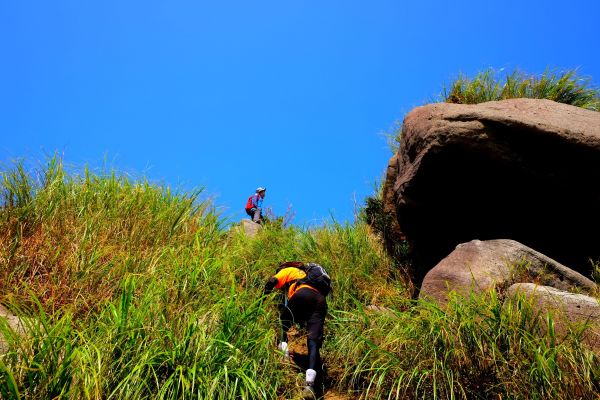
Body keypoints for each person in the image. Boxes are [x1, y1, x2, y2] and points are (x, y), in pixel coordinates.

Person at [264, 261, 330, 399]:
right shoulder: (308, 275)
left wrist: (261, 300)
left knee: (283, 322)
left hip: (302, 294)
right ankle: (310, 385)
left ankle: (284, 356)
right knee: (313, 341)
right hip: (320, 301)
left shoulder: (289, 271)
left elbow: (272, 281)